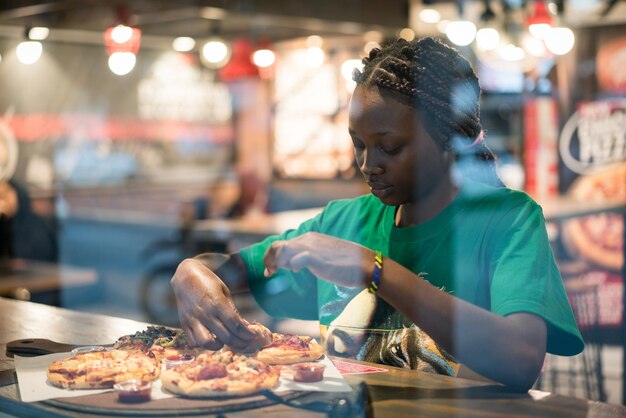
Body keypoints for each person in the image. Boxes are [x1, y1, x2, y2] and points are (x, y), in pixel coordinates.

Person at [171, 36, 583, 392]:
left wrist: (373, 268)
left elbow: (521, 360)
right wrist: (192, 273)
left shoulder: (506, 220)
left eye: (390, 147)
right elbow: (230, 269)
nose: (368, 165)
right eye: (359, 144)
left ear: (449, 140)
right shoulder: (343, 223)